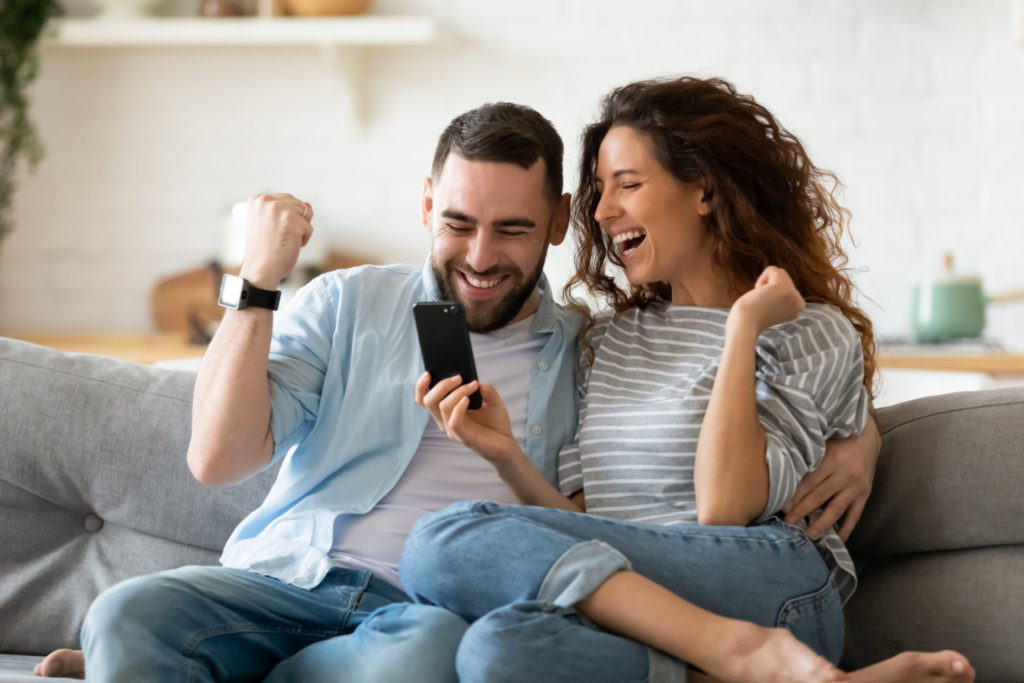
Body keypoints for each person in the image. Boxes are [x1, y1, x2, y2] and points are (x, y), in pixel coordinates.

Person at [35, 101, 881, 682]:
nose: (480, 256)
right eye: (458, 224)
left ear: (557, 220)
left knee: (436, 656)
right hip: (288, 579)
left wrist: (861, 438)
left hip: (421, 609)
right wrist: (255, 281)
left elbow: (716, 424)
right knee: (124, 615)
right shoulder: (347, 303)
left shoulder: (591, 345)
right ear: (428, 202)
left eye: (513, 229)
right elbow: (217, 458)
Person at [404, 77, 975, 683]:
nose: (600, 211)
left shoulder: (807, 330)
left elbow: (725, 506)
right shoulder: (609, 339)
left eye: (627, 184)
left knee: (440, 538)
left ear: (702, 189)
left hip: (768, 587)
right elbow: (588, 527)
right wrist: (505, 456)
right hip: (644, 594)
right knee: (496, 650)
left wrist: (742, 331)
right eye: (599, 189)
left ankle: (743, 651)